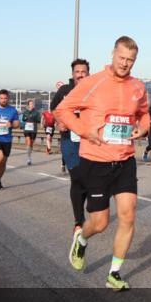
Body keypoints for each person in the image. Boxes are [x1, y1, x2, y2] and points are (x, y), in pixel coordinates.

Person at [55, 38, 149, 291]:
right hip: (95, 162)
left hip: (125, 160)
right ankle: (81, 238)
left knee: (128, 215)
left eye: (130, 60)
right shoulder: (91, 82)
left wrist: (143, 128)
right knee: (100, 223)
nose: (125, 64)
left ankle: (114, 273)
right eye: (122, 58)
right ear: (113, 54)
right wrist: (85, 132)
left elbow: (144, 113)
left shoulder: (137, 86)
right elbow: (62, 110)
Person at [51, 59, 91, 234]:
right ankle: (78, 219)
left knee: (88, 177)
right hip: (69, 140)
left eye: (83, 71)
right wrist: (60, 121)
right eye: (77, 71)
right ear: (73, 74)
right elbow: (54, 109)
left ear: (88, 73)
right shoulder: (64, 91)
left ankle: (89, 200)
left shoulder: (94, 91)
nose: (80, 74)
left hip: (89, 139)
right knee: (76, 176)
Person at [20, 99, 41, 166]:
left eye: (32, 104)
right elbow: (23, 119)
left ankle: (29, 156)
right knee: (28, 142)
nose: (31, 105)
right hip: (27, 129)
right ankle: (28, 159)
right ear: (28, 105)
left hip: (33, 129)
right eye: (30, 104)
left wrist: (34, 118)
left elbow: (38, 121)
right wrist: (26, 118)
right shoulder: (25, 112)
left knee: (31, 144)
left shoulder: (36, 112)